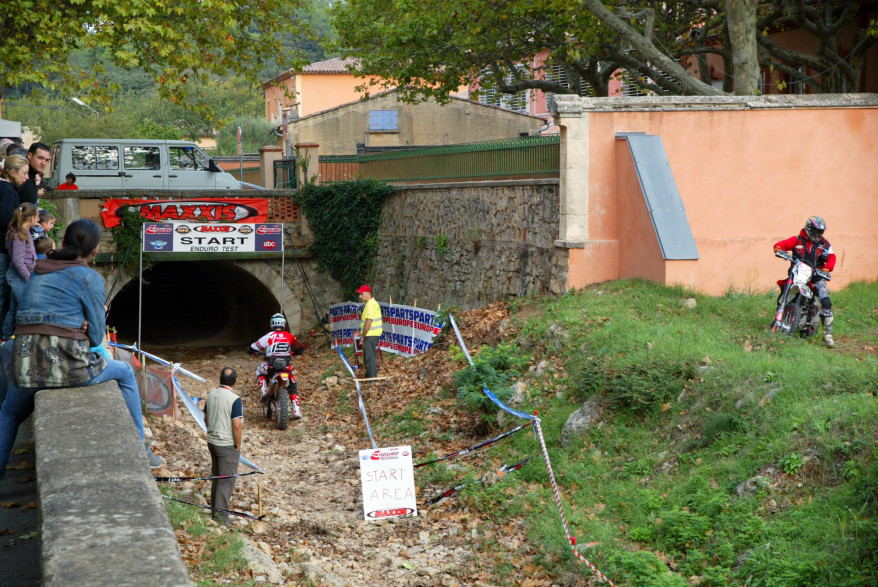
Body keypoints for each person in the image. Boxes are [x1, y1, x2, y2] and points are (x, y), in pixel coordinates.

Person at [0, 219, 163, 479]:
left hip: (24, 362)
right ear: (95, 250)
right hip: (68, 367)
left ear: (63, 242)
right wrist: (86, 325)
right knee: (125, 373)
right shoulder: (90, 278)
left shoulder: (38, 270)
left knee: (8, 412)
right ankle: (141, 448)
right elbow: (98, 335)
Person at [774, 215, 837, 347]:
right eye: (815, 231)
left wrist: (826, 269)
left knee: (825, 300)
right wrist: (782, 252)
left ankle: (827, 334)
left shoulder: (825, 244)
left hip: (816, 275)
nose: (817, 234)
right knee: (785, 286)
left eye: (820, 231)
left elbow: (832, 257)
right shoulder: (797, 240)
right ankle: (779, 316)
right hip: (798, 271)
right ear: (809, 228)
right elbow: (779, 246)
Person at [204, 367, 243, 526]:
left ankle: (215, 511)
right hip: (226, 444)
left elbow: (206, 418)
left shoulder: (211, 395)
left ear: (220, 379)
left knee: (217, 476)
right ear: (235, 381)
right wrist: (238, 445)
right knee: (226, 480)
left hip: (212, 441)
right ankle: (221, 518)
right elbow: (237, 425)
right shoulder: (235, 399)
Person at [249, 313, 305, 418]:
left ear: (272, 324)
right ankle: (296, 409)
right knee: (292, 383)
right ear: (283, 323)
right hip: (285, 366)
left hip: (271, 366)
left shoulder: (270, 336)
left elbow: (254, 347)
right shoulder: (289, 336)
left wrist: (253, 352)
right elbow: (299, 348)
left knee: (259, 372)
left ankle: (264, 391)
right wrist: (297, 351)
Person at [3, 203, 39, 339]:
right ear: (31, 218)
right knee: (24, 306)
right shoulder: (18, 234)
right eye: (37, 216)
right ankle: (15, 335)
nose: (38, 219)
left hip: (22, 275)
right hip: (20, 276)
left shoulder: (23, 232)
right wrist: (29, 277)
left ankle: (6, 335)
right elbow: (18, 260)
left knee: (14, 308)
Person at [0, 155, 25, 334]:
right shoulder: (7, 190)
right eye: (23, 173)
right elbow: (7, 218)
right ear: (12, 172)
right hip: (2, 249)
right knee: (2, 294)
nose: (26, 178)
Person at [357, 285, 383, 378]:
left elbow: (368, 322)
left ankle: (372, 379)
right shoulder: (370, 304)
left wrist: (363, 336)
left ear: (368, 294)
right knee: (368, 356)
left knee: (370, 357)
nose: (360, 296)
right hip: (372, 334)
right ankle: (369, 377)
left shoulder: (371, 304)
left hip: (371, 335)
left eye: (361, 294)